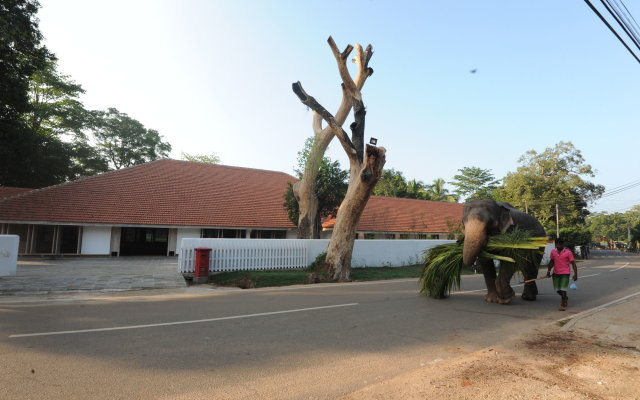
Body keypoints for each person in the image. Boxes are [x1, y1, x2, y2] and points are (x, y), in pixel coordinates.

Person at [546, 238, 578, 311]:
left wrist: (575, 274)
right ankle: (565, 298)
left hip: (565, 273)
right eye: (557, 244)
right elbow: (551, 262)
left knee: (563, 289)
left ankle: (563, 305)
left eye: (559, 244)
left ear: (563, 244)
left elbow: (573, 263)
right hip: (556, 273)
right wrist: (548, 271)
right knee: (557, 289)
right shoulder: (553, 252)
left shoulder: (568, 252)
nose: (558, 246)